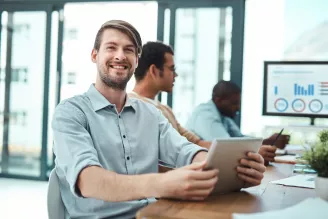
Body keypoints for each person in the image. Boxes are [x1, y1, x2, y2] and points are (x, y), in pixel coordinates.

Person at [52, 20, 266, 219]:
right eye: (111, 47)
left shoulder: (150, 114)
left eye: (129, 50)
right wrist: (161, 183)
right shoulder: (70, 112)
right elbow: (88, 180)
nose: (120, 56)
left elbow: (186, 151)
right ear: (94, 55)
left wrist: (233, 169)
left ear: (137, 61)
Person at [130, 41, 211, 149]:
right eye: (172, 69)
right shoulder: (132, 107)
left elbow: (195, 143)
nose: (176, 75)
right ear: (154, 71)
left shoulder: (165, 109)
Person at [186, 80, 289, 163]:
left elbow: (240, 139)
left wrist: (269, 141)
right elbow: (225, 148)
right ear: (218, 100)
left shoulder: (224, 117)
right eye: (234, 103)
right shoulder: (205, 115)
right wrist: (256, 152)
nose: (238, 108)